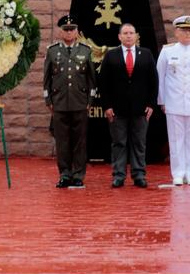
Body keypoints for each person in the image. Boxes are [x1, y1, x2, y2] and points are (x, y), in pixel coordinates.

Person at [98, 22, 159, 188]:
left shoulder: (146, 54)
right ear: (119, 36)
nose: (128, 36)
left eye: (131, 33)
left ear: (136, 35)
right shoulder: (111, 55)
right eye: (125, 33)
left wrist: (151, 105)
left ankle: (139, 174)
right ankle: (119, 175)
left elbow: (154, 82)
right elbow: (103, 84)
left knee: (139, 143)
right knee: (119, 143)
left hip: (140, 109)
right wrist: (107, 106)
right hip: (117, 110)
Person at [43, 14, 96, 188]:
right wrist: (48, 100)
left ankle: (78, 174)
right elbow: (47, 79)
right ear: (60, 31)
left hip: (80, 102)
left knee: (80, 141)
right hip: (59, 103)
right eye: (66, 29)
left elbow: (91, 79)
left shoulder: (85, 50)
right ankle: (65, 174)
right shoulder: (52, 51)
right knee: (62, 141)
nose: (69, 32)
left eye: (72, 29)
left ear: (77, 31)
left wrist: (90, 100)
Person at [157, 15, 190, 185]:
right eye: (183, 31)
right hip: (173, 101)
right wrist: (162, 101)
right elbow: (160, 77)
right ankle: (178, 173)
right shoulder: (167, 51)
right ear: (176, 32)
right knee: (175, 139)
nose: (187, 34)